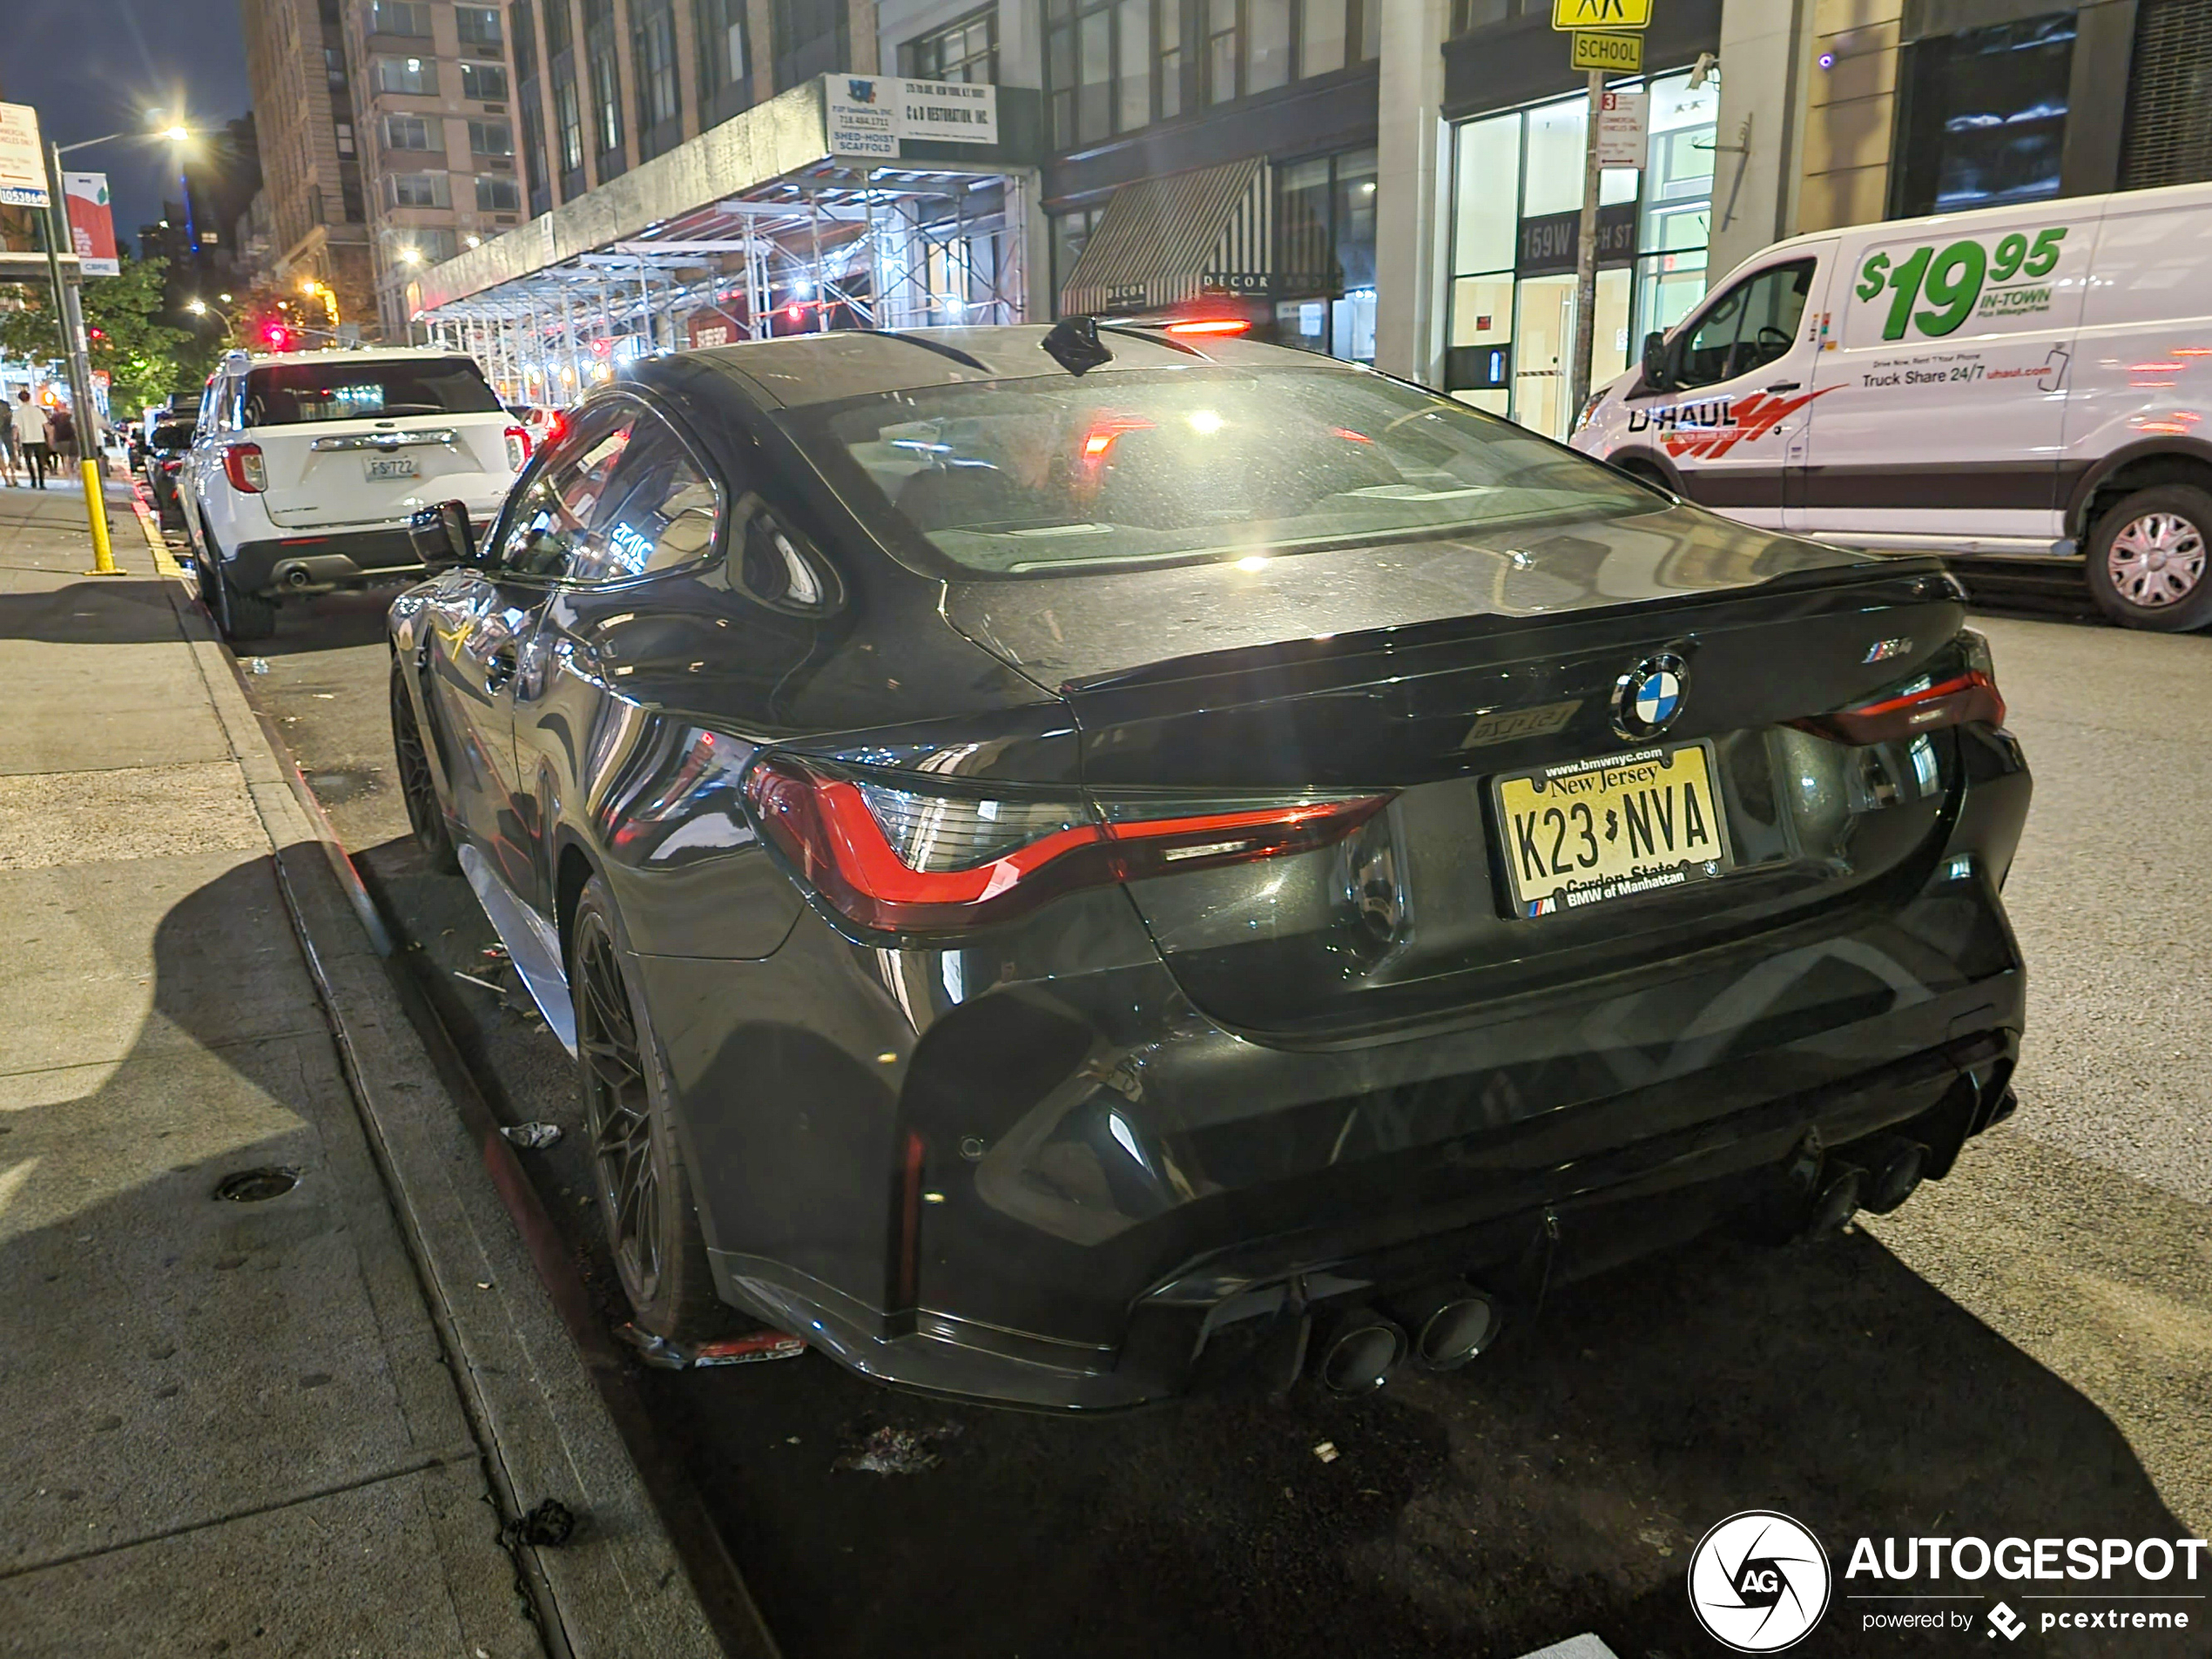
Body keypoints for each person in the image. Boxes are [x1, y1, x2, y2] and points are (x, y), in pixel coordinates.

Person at [12, 391, 50, 489]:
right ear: (29, 398)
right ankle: (42, 483)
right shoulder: (37, 410)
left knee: (29, 462)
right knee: (40, 462)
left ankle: (33, 481)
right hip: (39, 438)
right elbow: (46, 425)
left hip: (26, 440)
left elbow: (16, 428)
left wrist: (14, 440)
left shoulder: (17, 412)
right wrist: (50, 437)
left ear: (19, 399)